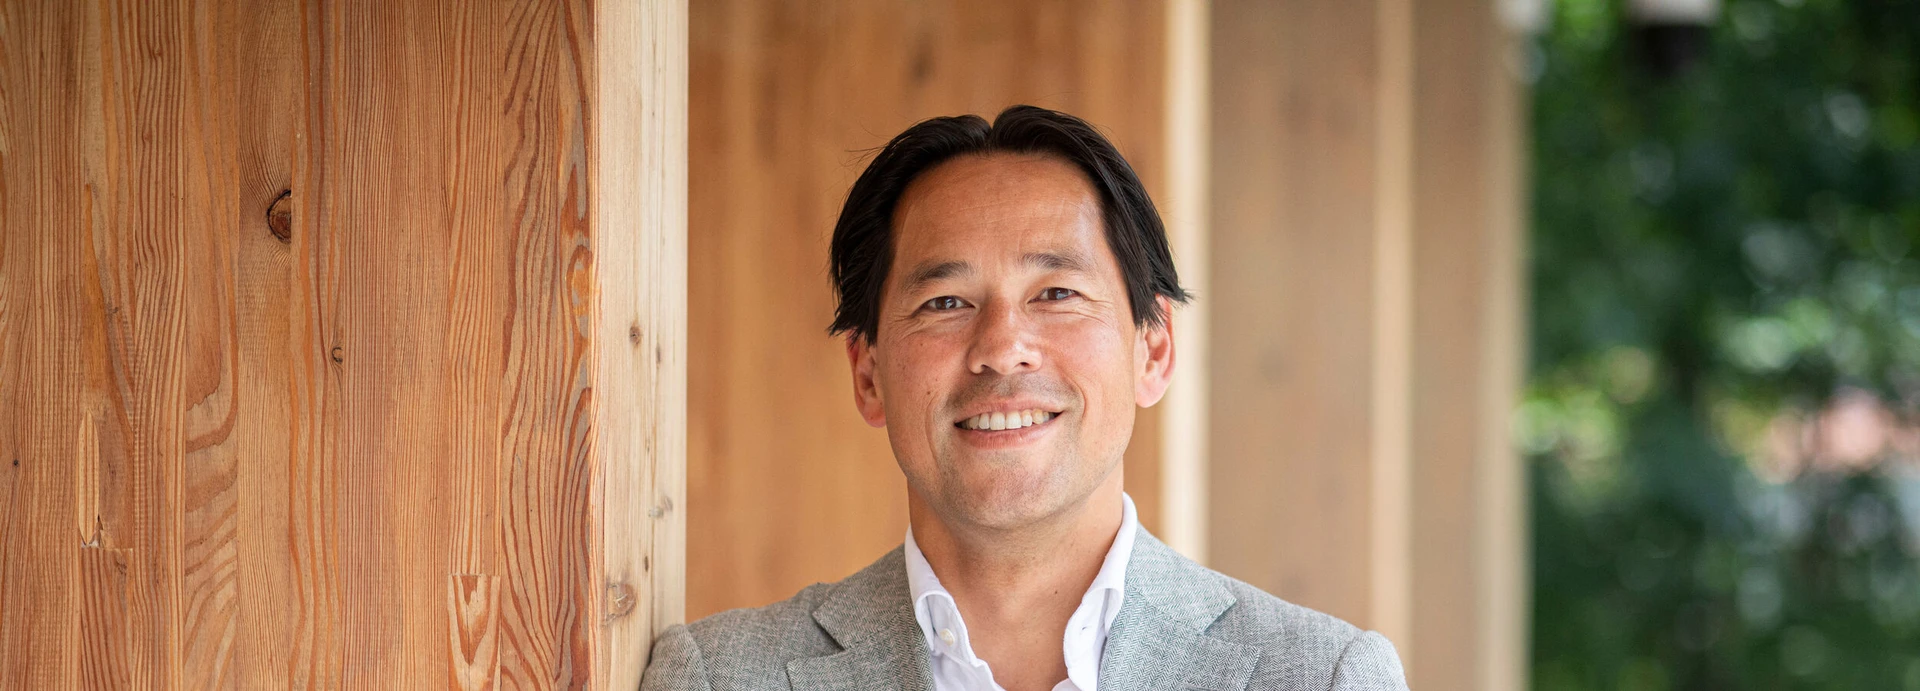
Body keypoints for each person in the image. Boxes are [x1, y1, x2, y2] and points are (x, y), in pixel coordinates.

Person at [641, 105, 1409, 691]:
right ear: (868, 374)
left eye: (1057, 292)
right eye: (945, 302)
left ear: (1155, 347)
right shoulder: (718, 676)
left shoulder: (1322, 676)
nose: (1003, 346)